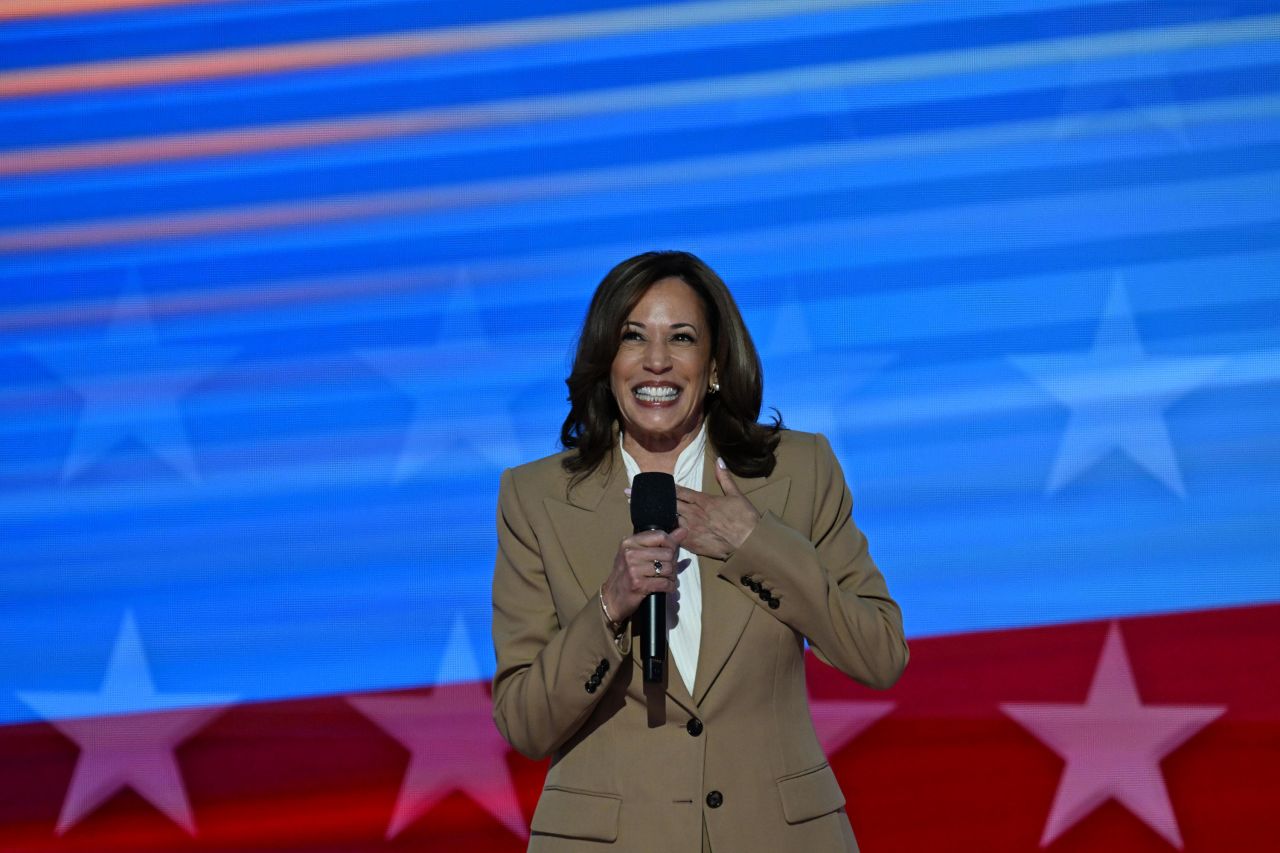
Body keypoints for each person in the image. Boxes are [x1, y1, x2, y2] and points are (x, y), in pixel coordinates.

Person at [491, 251, 908, 852]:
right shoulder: (535, 497)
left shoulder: (798, 470)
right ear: (607, 360)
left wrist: (756, 544)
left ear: (713, 366)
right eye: (633, 337)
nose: (655, 361)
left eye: (680, 338)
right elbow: (524, 724)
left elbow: (881, 654)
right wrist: (610, 605)